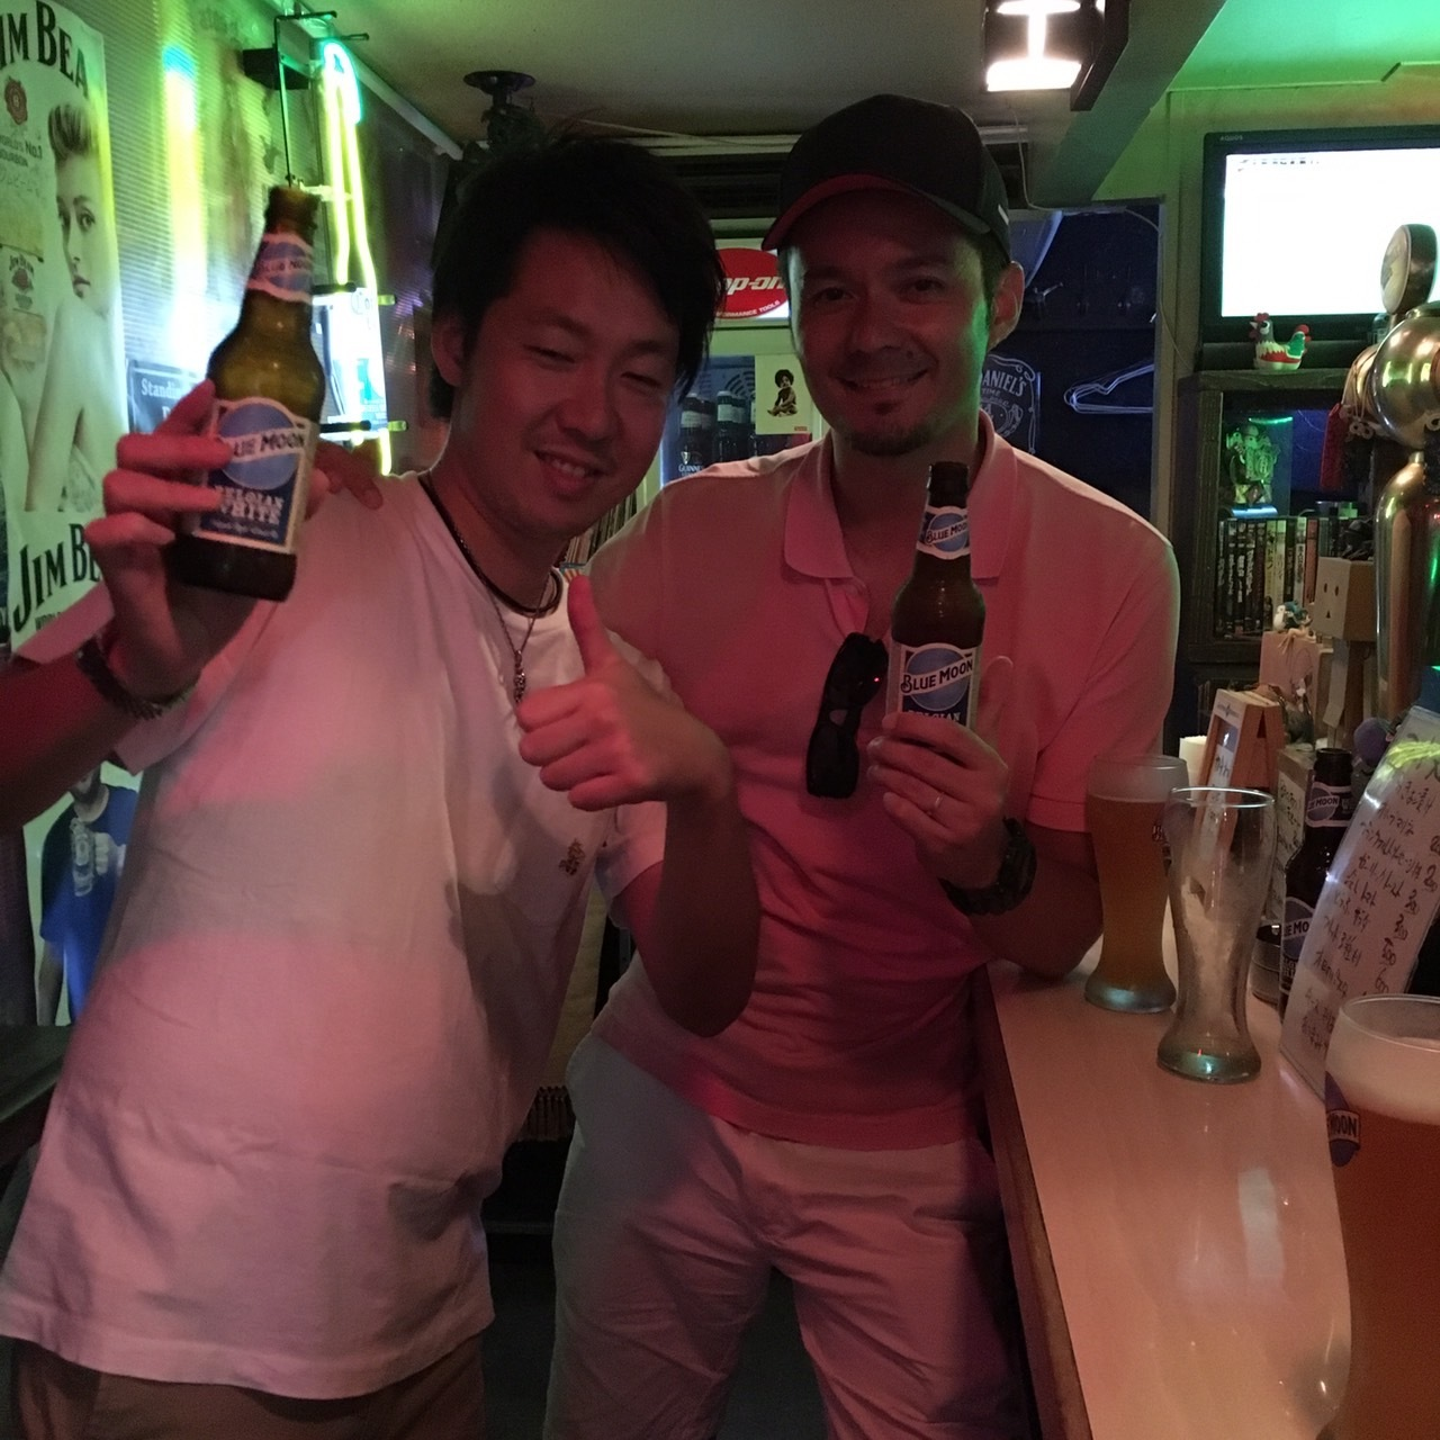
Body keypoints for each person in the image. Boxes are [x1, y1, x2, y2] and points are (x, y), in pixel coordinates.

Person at [0, 134, 757, 1438]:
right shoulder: (293, 541)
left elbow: (706, 989)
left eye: (642, 376)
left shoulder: (610, 679)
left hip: (424, 1330)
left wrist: (706, 789)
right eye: (555, 351)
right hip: (172, 1326)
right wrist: (134, 662)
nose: (594, 414)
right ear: (454, 345)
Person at [544, 94, 1180, 1440]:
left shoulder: (1117, 569)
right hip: (672, 1096)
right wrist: (391, 510)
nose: (870, 329)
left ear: (1000, 300)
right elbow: (522, 641)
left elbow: (1075, 930)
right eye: (829, 290)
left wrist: (985, 856)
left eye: (918, 283)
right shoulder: (692, 532)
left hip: (919, 1135)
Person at [24, 101, 127, 511]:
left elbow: (37, 514)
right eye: (63, 219)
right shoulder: (94, 337)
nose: (71, 249)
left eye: (85, 219)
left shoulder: (79, 327)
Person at [36, 766, 139, 1023]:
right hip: (86, 1021)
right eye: (69, 762)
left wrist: (120, 860)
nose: (79, 768)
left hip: (139, 1010)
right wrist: (43, 1033)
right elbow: (53, 950)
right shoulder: (57, 842)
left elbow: (169, 895)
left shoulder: (135, 809)